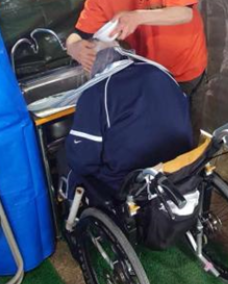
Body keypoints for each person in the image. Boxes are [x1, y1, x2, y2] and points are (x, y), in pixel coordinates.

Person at [66, 0, 208, 135]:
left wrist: (138, 16)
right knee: (155, 137)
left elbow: (185, 13)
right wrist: (73, 47)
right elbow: (78, 34)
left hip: (184, 71)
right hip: (147, 75)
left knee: (186, 138)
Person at [64, 45, 193, 199]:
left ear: (91, 65)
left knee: (67, 162)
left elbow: (83, 161)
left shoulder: (95, 92)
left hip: (130, 186)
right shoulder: (160, 72)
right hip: (179, 170)